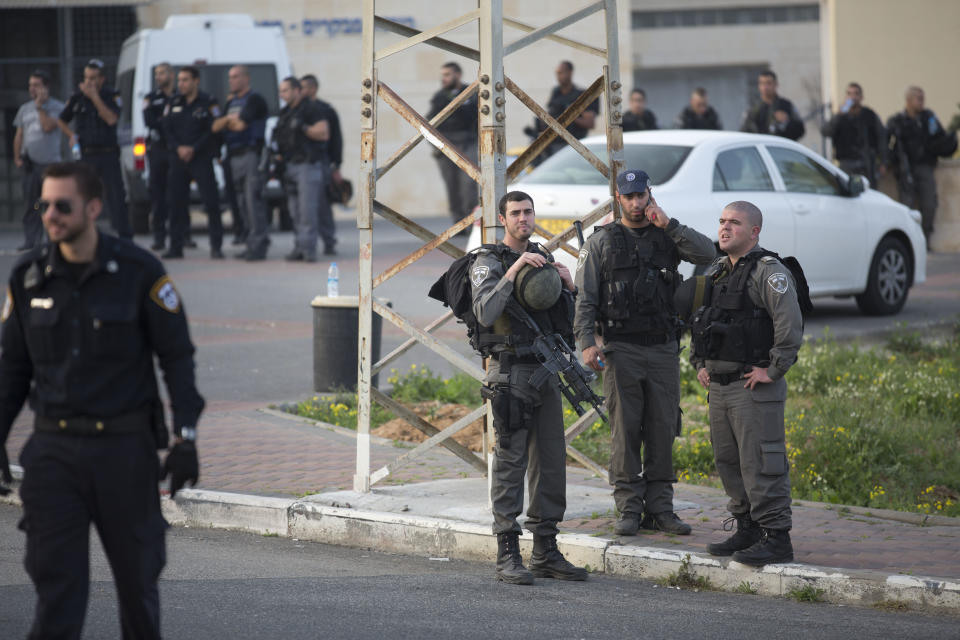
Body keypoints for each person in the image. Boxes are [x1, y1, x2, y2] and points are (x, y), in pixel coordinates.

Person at [0, 161, 205, 638]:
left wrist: (186, 436)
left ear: (92, 207)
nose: (51, 214)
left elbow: (177, 359)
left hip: (125, 454)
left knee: (137, 591)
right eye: (44, 204)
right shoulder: (28, 278)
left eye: (62, 205)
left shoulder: (139, 271)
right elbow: (12, 369)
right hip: (54, 455)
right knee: (57, 596)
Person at [574, 170, 716, 536]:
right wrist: (587, 343)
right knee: (625, 432)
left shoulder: (668, 235)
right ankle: (628, 509)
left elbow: (708, 253)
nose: (637, 203)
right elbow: (585, 297)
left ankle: (661, 508)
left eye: (642, 195)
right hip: (621, 349)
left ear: (650, 194)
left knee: (663, 428)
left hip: (664, 348)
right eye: (630, 196)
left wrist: (670, 225)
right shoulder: (602, 241)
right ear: (618, 198)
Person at [471, 190, 587, 585]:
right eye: (516, 213)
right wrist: (513, 269)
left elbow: (565, 327)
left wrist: (569, 288)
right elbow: (485, 310)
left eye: (528, 212)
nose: (524, 219)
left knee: (551, 463)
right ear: (503, 219)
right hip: (509, 374)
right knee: (510, 464)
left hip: (545, 372)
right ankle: (507, 552)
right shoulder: (488, 261)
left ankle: (546, 549)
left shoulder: (545, 259)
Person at [691, 201, 803, 566]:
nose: (724, 228)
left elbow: (789, 324)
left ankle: (776, 537)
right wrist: (700, 364)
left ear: (754, 232)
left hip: (753, 387)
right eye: (722, 221)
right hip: (721, 387)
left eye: (734, 223)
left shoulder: (770, 272)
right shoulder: (719, 270)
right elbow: (701, 322)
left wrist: (773, 370)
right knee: (729, 461)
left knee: (760, 462)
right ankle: (748, 529)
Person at [57, 58, 133, 239]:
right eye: (86, 78)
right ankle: (83, 233)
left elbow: (111, 119)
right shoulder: (77, 96)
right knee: (83, 195)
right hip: (86, 155)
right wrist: (71, 135)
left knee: (116, 196)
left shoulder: (112, 95)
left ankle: (124, 237)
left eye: (93, 78)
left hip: (108, 154)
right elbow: (61, 120)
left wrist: (94, 97)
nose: (89, 82)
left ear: (102, 79)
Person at [162, 65, 224, 259]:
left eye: (185, 80)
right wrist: (179, 148)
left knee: (211, 202)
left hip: (200, 158)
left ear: (196, 81)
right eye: (179, 80)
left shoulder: (208, 102)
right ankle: (175, 246)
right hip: (178, 159)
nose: (181, 84)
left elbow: (212, 130)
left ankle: (216, 246)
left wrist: (194, 148)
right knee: (176, 203)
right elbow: (166, 130)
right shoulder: (173, 102)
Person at [213, 65, 270, 261]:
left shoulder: (254, 99)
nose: (231, 81)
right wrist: (229, 120)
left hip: (251, 154)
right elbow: (216, 126)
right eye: (230, 77)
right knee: (241, 204)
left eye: (235, 77)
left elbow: (240, 126)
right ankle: (250, 244)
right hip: (234, 156)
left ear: (246, 78)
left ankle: (259, 246)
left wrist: (228, 122)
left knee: (253, 201)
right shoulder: (231, 103)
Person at [887, 86, 955, 244]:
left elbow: (940, 137)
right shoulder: (897, 121)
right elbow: (886, 144)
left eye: (922, 98)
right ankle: (909, 241)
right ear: (909, 100)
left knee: (929, 204)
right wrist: (893, 162)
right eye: (918, 98)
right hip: (905, 169)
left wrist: (950, 142)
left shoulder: (928, 117)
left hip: (925, 166)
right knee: (907, 207)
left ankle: (925, 239)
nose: (922, 102)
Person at [274, 77, 330, 262]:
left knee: (307, 211)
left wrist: (303, 127)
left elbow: (323, 133)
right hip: (290, 166)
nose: (282, 94)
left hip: (308, 165)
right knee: (294, 211)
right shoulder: (285, 112)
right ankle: (299, 246)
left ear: (297, 91)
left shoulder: (311, 109)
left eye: (286, 90)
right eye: (281, 91)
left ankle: (309, 250)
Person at [13, 69, 64, 251]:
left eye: (36, 85)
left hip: (50, 164)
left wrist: (40, 107)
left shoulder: (57, 107)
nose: (32, 89)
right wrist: (17, 157)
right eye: (30, 85)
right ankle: (31, 240)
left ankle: (52, 240)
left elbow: (48, 126)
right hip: (30, 164)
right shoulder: (24, 109)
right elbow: (19, 135)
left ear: (46, 87)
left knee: (50, 203)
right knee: (31, 204)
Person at [427, 62, 479, 231]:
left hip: (467, 143)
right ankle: (459, 224)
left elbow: (480, 118)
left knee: (469, 186)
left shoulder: (471, 93)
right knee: (452, 187)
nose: (444, 78)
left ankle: (471, 224)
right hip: (446, 146)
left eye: (448, 74)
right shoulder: (439, 97)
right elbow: (429, 124)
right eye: (443, 75)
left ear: (458, 74)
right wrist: (436, 146)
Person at [301, 73, 342, 254]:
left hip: (323, 161)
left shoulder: (325, 110)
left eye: (303, 87)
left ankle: (329, 242)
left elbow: (336, 139)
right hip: (303, 163)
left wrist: (336, 165)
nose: (300, 91)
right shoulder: (297, 110)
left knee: (323, 205)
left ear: (312, 89)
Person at [820, 82, 887, 186]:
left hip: (866, 163)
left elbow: (881, 137)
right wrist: (838, 115)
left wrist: (883, 162)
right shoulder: (840, 116)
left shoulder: (870, 115)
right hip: (846, 163)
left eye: (856, 94)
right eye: (849, 94)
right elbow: (826, 132)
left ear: (861, 97)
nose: (853, 97)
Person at [535, 60, 600, 159]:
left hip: (573, 145)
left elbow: (590, 123)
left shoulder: (581, 95)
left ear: (570, 72)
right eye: (557, 73)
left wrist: (569, 117)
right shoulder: (556, 93)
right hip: (553, 144)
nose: (559, 76)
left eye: (561, 72)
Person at [142, 62, 176, 251]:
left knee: (177, 194)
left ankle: (182, 234)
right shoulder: (151, 98)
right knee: (158, 195)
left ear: (171, 74)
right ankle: (159, 236)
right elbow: (150, 121)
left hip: (175, 149)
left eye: (162, 73)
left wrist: (164, 121)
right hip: (158, 150)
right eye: (157, 74)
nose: (158, 77)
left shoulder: (179, 96)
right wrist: (166, 121)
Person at [740, 70, 805, 141]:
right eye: (762, 83)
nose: (765, 87)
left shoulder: (786, 105)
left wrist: (786, 123)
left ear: (776, 84)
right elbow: (743, 132)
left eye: (769, 83)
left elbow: (800, 130)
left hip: (781, 148)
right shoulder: (753, 109)